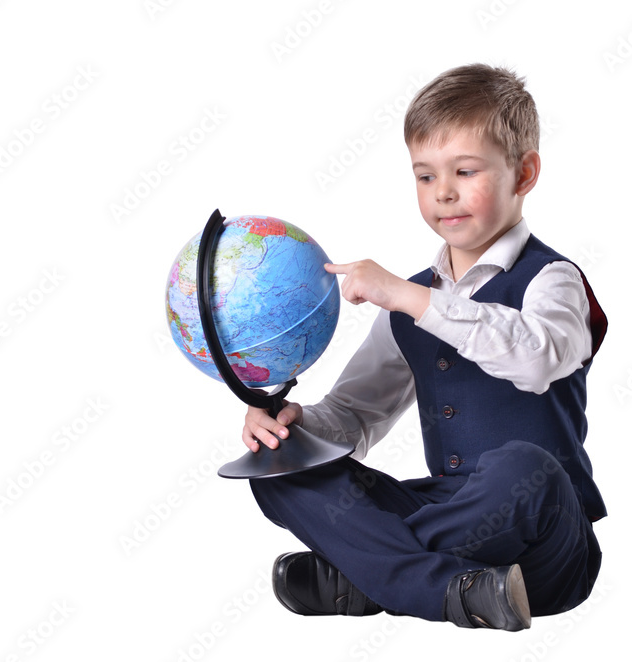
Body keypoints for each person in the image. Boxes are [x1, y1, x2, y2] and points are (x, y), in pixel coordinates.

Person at [243, 63, 608, 631]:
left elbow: (537, 358)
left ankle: (365, 572)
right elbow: (356, 415)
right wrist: (293, 426)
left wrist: (409, 298)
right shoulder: (411, 299)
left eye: (465, 170)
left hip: (546, 539)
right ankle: (448, 588)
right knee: (277, 467)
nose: (444, 193)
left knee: (523, 467)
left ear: (525, 173)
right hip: (451, 517)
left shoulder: (552, 279)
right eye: (425, 176)